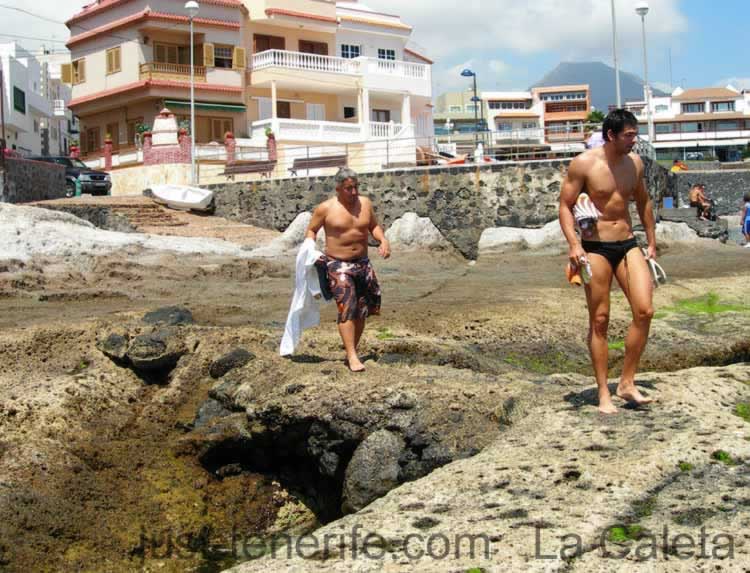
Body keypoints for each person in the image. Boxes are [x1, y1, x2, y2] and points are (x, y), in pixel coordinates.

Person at [559, 109, 657, 414]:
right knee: (599, 320)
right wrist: (574, 245)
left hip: (628, 244)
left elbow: (643, 201)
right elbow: (564, 205)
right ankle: (603, 392)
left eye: (635, 133)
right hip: (595, 249)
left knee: (645, 310)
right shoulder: (584, 164)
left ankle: (626, 383)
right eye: (629, 135)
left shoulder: (635, 163)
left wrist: (651, 241)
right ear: (611, 135)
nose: (634, 140)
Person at [305, 168, 391, 372]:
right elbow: (311, 230)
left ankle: (351, 350)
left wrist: (383, 239)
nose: (353, 192)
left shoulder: (365, 204)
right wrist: (309, 248)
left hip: (362, 262)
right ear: (338, 188)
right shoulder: (325, 208)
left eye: (356, 187)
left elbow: (374, 226)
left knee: (362, 309)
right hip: (338, 264)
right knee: (346, 307)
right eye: (348, 188)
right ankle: (352, 356)